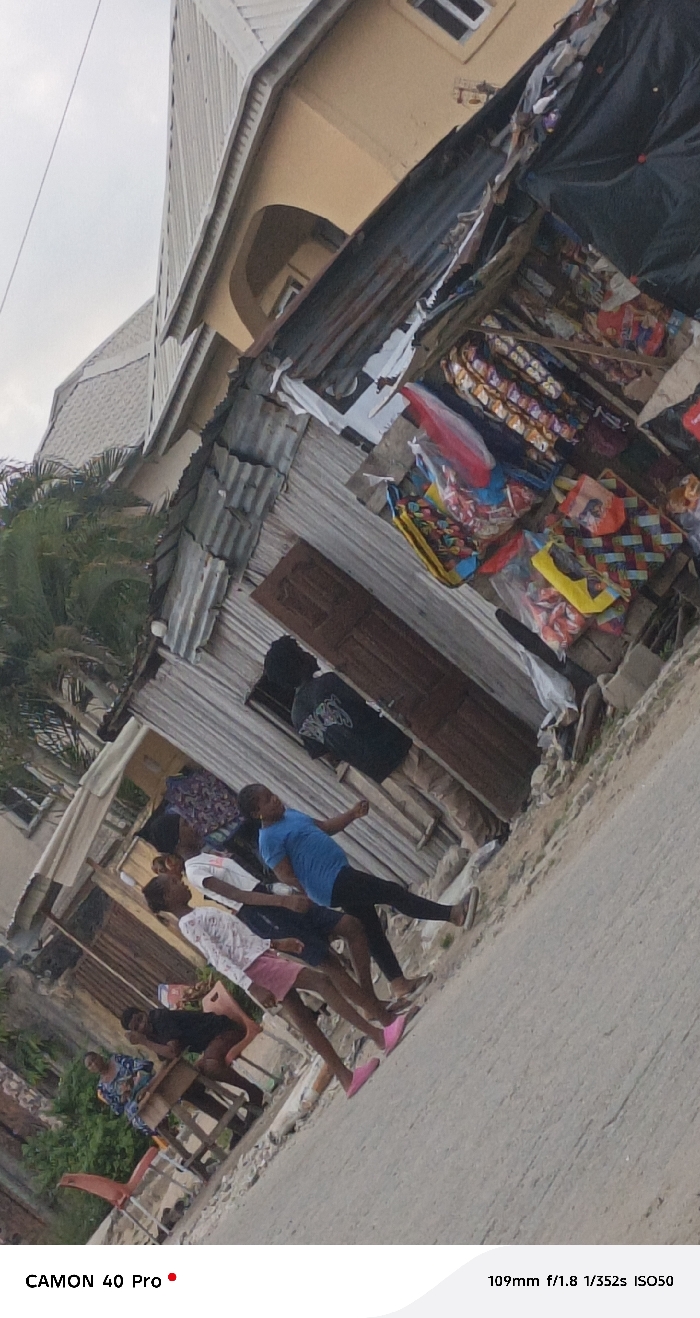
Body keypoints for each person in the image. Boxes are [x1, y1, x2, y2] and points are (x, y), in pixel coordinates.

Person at [142, 871, 416, 1099]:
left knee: (303, 1019)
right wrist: (251, 985)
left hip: (259, 958)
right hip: (255, 968)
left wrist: (275, 944)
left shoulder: (197, 914)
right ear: (167, 898)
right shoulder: (189, 923)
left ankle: (346, 1077)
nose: (181, 882)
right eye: (174, 883)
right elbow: (219, 959)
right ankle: (379, 1036)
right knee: (322, 982)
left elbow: (238, 940)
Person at [263, 636, 506, 848]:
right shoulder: (328, 683)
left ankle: (492, 826)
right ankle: (486, 837)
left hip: (376, 766)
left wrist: (351, 748)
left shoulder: (297, 716)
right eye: (301, 652)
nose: (308, 653)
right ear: (297, 663)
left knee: (440, 789)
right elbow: (368, 699)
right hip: (394, 744)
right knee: (446, 787)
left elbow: (325, 753)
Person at [237, 785, 479, 998]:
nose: (275, 799)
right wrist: (308, 896)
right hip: (329, 884)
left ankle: (399, 983)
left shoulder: (290, 815)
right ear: (257, 813)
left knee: (370, 926)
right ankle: (452, 914)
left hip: (339, 872)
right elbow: (286, 875)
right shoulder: (268, 840)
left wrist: (352, 814)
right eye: (267, 800)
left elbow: (324, 827)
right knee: (392, 892)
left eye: (272, 794)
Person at [156, 845, 427, 1004]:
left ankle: (372, 999)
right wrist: (282, 902)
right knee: (327, 960)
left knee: (351, 926)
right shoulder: (195, 872)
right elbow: (237, 895)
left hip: (268, 897)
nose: (192, 824)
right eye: (185, 824)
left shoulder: (205, 856)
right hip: (261, 909)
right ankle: (375, 1008)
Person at [119, 1004, 264, 1110]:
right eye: (137, 1027)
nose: (142, 1025)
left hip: (224, 1031)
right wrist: (148, 1088)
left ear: (144, 1012)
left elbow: (173, 1052)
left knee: (211, 1066)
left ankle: (253, 1092)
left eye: (140, 1018)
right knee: (188, 1088)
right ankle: (236, 1124)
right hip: (209, 1046)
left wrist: (144, 1042)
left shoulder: (160, 1018)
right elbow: (168, 1062)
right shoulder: (151, 1036)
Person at [84, 1052, 156, 1135]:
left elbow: (142, 1064)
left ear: (99, 1056)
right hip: (134, 1103)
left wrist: (132, 1079)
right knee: (137, 1118)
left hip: (144, 1085)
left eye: (94, 1059)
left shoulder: (117, 1060)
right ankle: (161, 1130)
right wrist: (123, 1097)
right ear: (89, 1070)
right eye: (90, 1065)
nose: (94, 1064)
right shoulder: (103, 1088)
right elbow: (118, 1109)